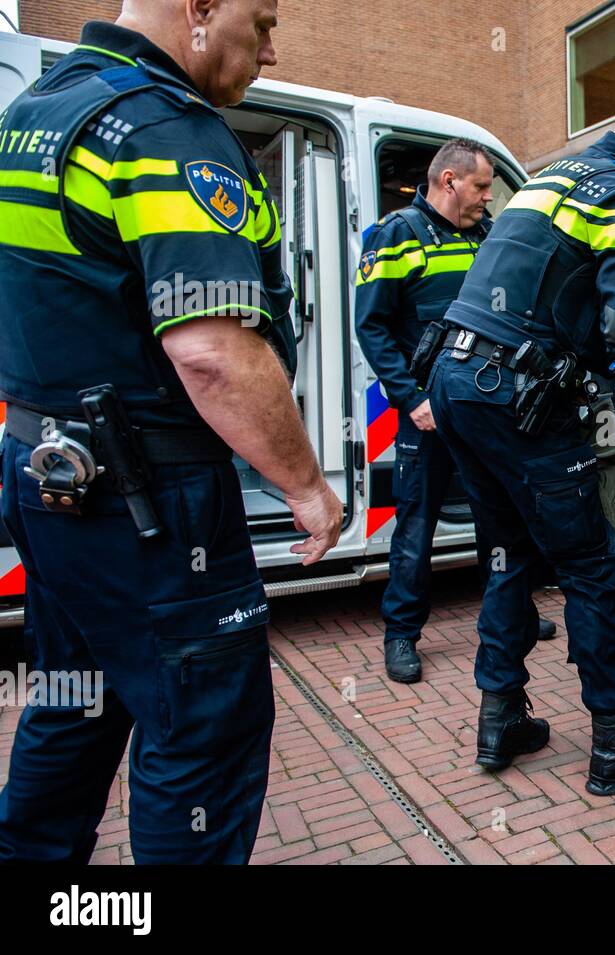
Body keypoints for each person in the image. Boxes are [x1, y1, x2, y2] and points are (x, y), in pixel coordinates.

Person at [0, 0, 342, 864]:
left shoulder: (37, 112)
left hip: (51, 479)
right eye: (260, 20)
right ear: (198, 8)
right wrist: (305, 486)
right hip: (153, 501)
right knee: (202, 738)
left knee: (74, 705)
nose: (272, 44)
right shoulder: (163, 127)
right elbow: (214, 354)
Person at [427, 89, 615, 793]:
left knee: (507, 554)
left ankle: (500, 720)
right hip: (519, 394)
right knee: (592, 565)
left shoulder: (550, 178)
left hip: (457, 381)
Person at [355, 139, 555, 684]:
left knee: (502, 516)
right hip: (427, 412)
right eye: (482, 187)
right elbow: (370, 326)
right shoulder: (396, 235)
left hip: (485, 409)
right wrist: (412, 400)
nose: (488, 199)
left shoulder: (487, 237)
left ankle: (513, 613)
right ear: (449, 181)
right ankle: (401, 634)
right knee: (416, 524)